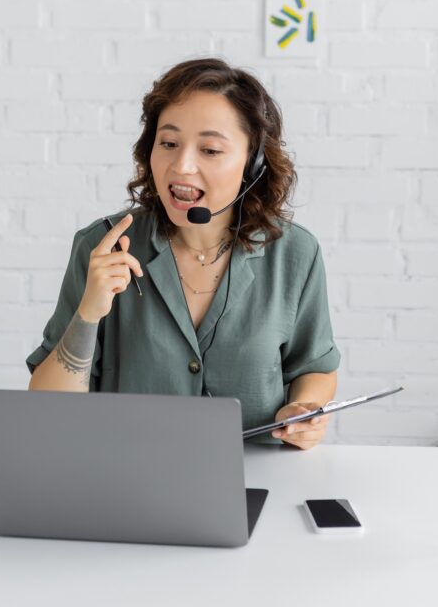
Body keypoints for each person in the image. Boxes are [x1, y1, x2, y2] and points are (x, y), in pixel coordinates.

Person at [27, 57, 340, 450]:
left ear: (254, 164)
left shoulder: (295, 253)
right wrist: (89, 312)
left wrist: (304, 410)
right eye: (169, 143)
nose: (182, 166)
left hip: (257, 474)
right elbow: (45, 407)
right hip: (130, 479)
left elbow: (315, 368)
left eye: (210, 150)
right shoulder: (103, 245)